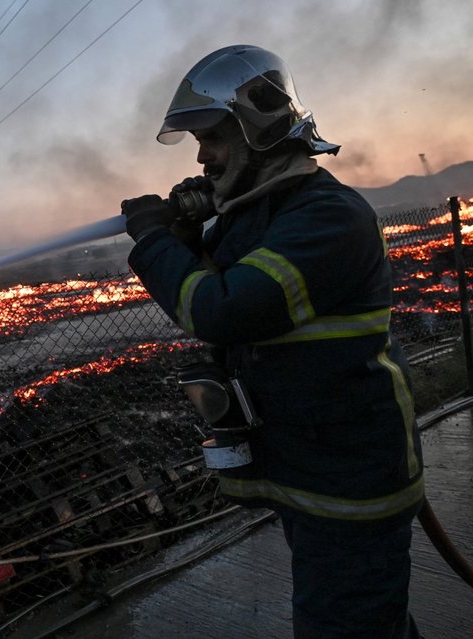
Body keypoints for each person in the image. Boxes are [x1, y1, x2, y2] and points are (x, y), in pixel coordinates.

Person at [121, 45, 424, 638]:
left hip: (348, 485)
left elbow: (223, 309)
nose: (202, 157)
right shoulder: (264, 218)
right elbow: (230, 284)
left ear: (258, 126)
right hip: (310, 472)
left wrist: (155, 243)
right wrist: (188, 240)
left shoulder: (328, 217)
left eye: (210, 137)